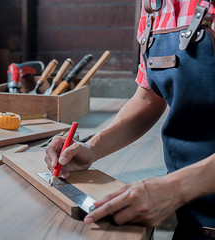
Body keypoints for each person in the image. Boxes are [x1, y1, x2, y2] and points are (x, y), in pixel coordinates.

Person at [44, 0, 215, 239]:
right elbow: (148, 98)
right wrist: (91, 148)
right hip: (193, 218)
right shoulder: (154, 7)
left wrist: (176, 188)